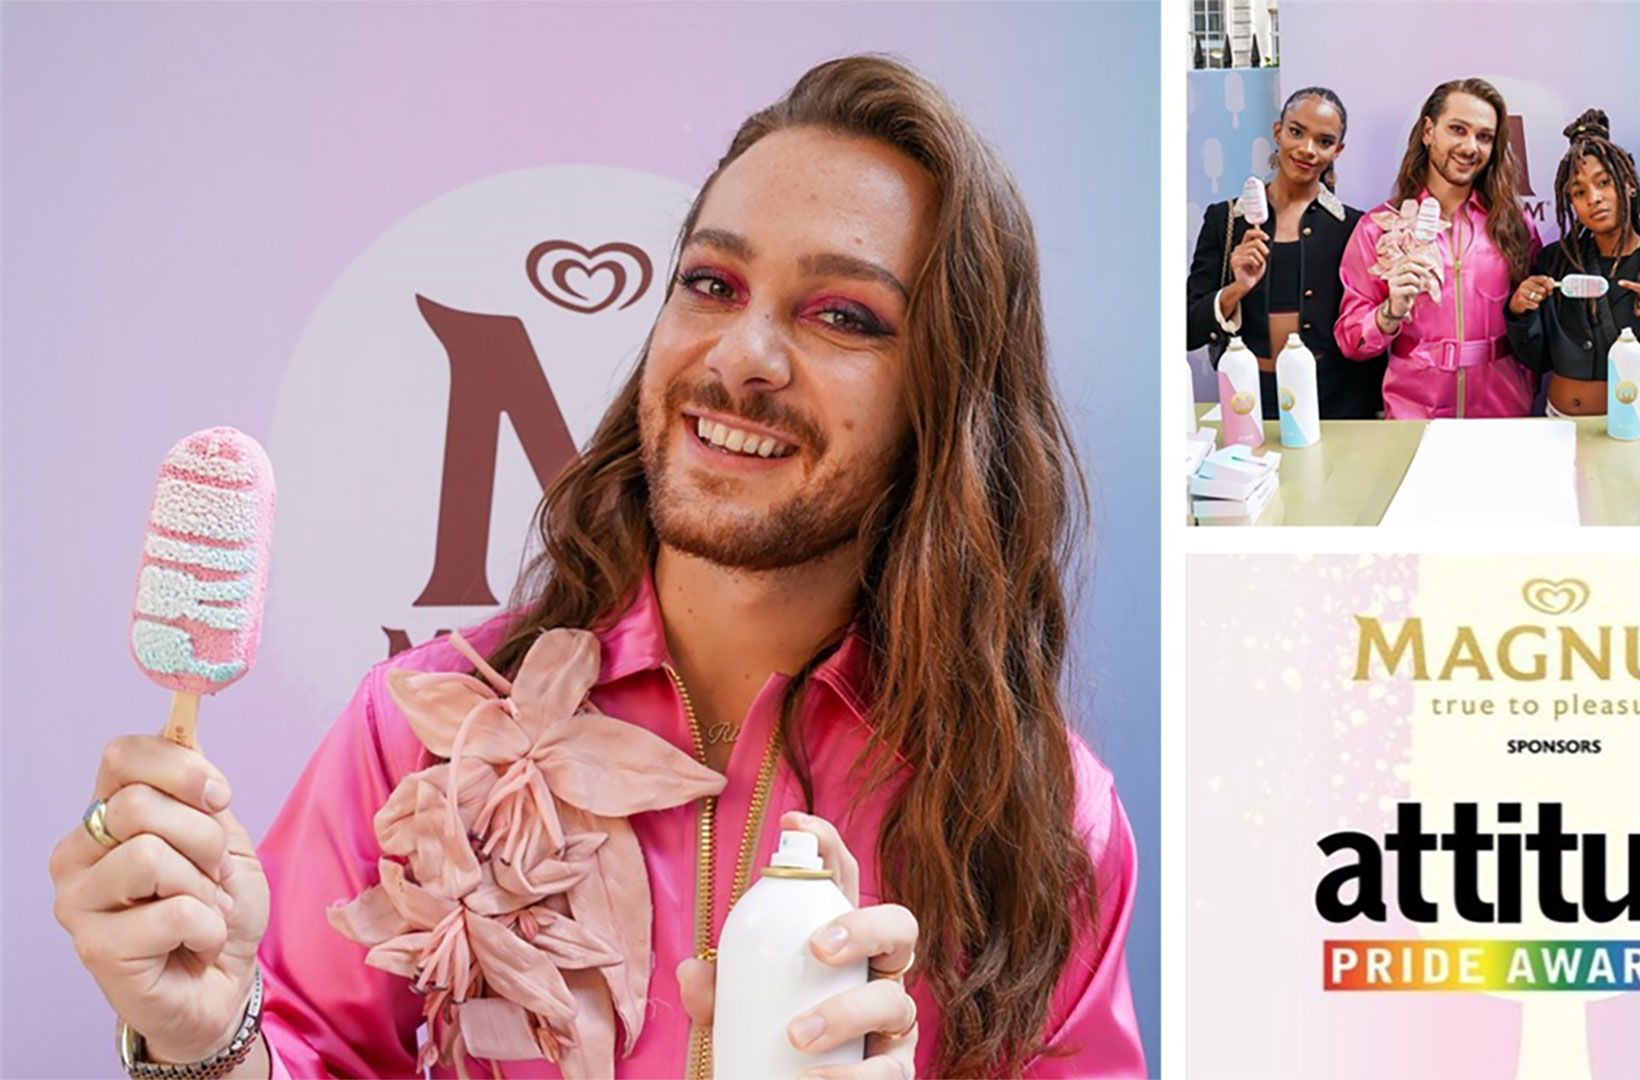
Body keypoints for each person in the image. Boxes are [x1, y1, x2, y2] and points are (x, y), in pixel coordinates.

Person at [49, 56, 1145, 1080]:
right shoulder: (422, 727)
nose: (741, 356)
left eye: (844, 315)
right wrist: (205, 1039)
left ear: (946, 401)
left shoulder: (1042, 816)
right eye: (711, 283)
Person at [1334, 78, 1541, 419]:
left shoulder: (1515, 226)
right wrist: (1389, 313)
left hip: (1503, 416)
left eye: (1484, 136)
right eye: (1457, 130)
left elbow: (1535, 327)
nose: (1470, 147)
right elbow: (1350, 340)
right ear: (1428, 131)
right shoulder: (1378, 227)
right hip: (1414, 416)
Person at [1185, 86, 1386, 419]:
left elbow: (1364, 328)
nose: (1307, 150)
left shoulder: (1355, 226)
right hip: (1251, 402)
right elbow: (1190, 329)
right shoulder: (1225, 221)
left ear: (1338, 150)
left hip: (1338, 401)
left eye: (1324, 141)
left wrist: (1378, 410)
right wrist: (1236, 290)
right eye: (1296, 132)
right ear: (1278, 132)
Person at [1509, 109, 1640, 416]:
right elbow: (1538, 359)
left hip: (1632, 426)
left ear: (1628, 184)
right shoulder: (1553, 263)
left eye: (1604, 183)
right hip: (1557, 423)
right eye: (1579, 191)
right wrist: (1521, 312)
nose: (1594, 198)